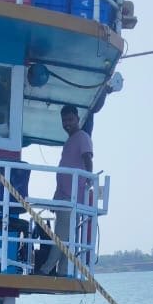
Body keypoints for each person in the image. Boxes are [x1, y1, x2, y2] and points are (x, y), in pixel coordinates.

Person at [40, 105, 93, 277]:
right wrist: (55, 198)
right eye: (64, 120)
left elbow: (87, 158)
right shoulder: (70, 140)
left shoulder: (82, 137)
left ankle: (45, 270)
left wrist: (89, 179)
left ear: (78, 119)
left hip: (71, 198)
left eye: (70, 119)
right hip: (63, 197)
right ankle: (63, 272)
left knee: (61, 238)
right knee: (66, 238)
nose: (67, 123)